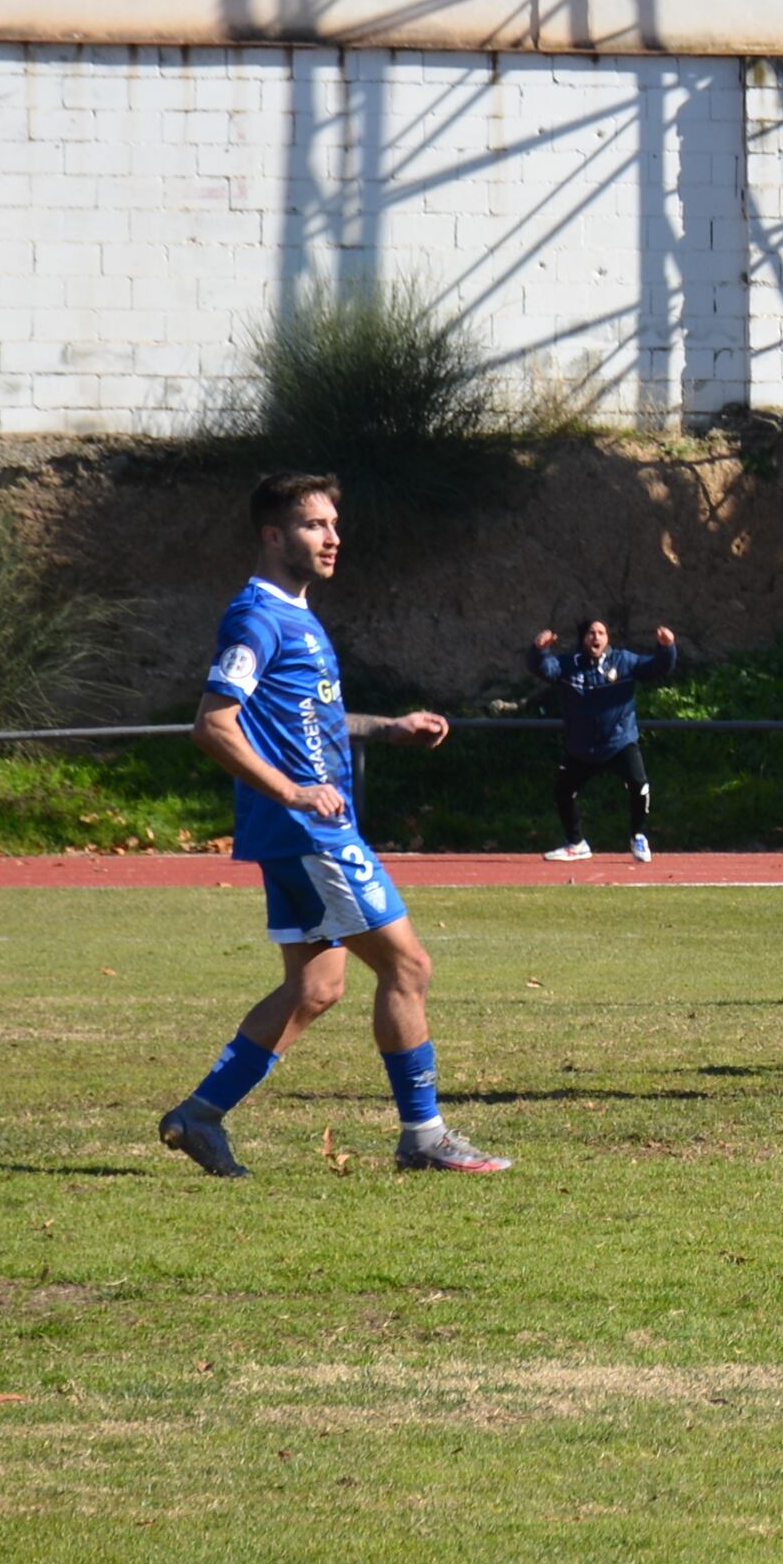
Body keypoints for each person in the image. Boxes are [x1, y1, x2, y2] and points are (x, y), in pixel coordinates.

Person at [160, 473, 508, 1177]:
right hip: (312, 835)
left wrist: (388, 726)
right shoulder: (257, 616)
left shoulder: (296, 615)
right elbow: (213, 724)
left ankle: (199, 1114)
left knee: (316, 988)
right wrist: (294, 791)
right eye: (315, 524)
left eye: (333, 524)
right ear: (273, 535)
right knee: (408, 964)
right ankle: (424, 1137)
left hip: (295, 834)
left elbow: (302, 721)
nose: (333, 537)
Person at [528, 614, 678, 861]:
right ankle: (576, 844)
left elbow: (657, 667)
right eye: (590, 633)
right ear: (583, 638)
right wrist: (539, 650)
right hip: (582, 747)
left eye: (601, 633)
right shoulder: (569, 665)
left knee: (640, 786)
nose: (595, 637)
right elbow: (544, 669)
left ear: (607, 638)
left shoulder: (623, 661)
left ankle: (638, 837)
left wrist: (667, 647)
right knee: (563, 792)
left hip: (619, 742)